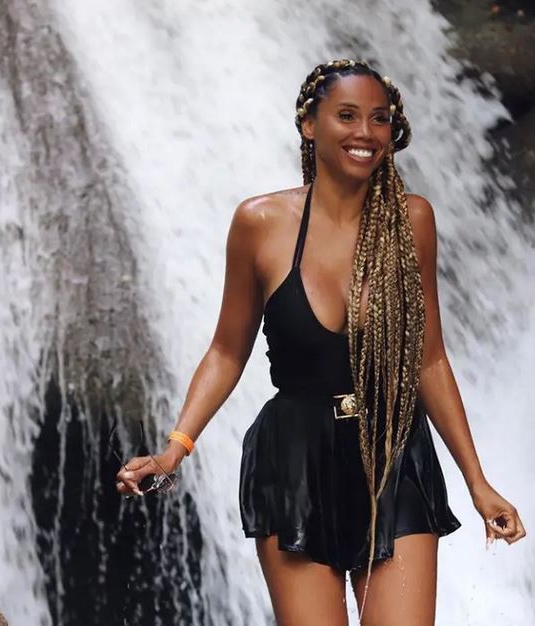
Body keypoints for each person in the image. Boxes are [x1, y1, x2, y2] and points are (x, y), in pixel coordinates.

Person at [116, 58, 526, 625]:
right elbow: (227, 352)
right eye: (347, 116)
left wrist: (477, 482)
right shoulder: (260, 223)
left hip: (393, 452)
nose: (366, 132)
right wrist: (174, 449)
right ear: (310, 124)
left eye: (379, 118)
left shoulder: (412, 221)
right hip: (295, 462)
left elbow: (429, 359)